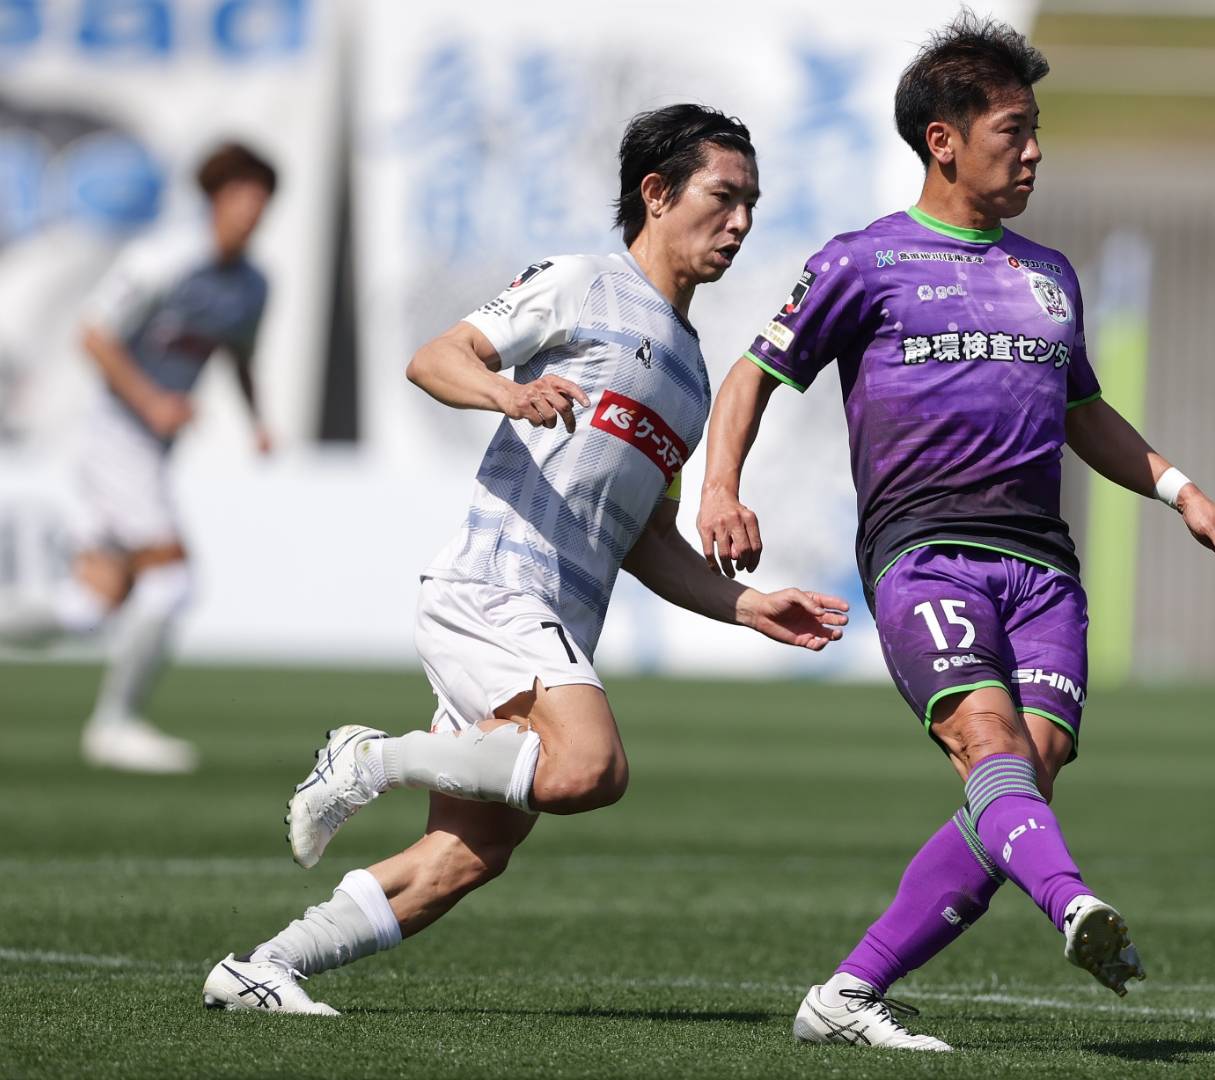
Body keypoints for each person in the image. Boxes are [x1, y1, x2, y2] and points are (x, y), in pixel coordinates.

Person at [200, 104, 852, 1015]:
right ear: (657, 193)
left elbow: (646, 537)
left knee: (469, 856)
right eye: (723, 196)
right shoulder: (583, 285)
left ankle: (262, 968)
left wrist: (747, 606)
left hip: (554, 619)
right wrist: (506, 393)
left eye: (752, 204)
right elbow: (436, 357)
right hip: (495, 588)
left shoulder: (691, 376)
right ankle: (372, 757)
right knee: (590, 768)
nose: (741, 222)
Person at [698, 15, 1215, 1052]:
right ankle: (1075, 903)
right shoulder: (864, 261)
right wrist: (719, 488)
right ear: (943, 140)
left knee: (1024, 781)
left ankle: (847, 994)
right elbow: (753, 373)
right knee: (986, 746)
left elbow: (1084, 412)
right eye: (1013, 130)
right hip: (926, 553)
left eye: (1037, 130)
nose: (1034, 150)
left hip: (1044, 569)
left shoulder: (1049, 275)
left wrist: (1182, 491)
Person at [0, 142, 277, 774]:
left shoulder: (252, 286)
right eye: (242, 196)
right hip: (115, 438)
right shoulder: (164, 259)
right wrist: (152, 401)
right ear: (215, 198)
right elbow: (94, 335)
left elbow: (239, 353)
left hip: (152, 449)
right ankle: (114, 725)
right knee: (173, 580)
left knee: (87, 606)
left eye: (262, 200)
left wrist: (258, 422)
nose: (252, 211)